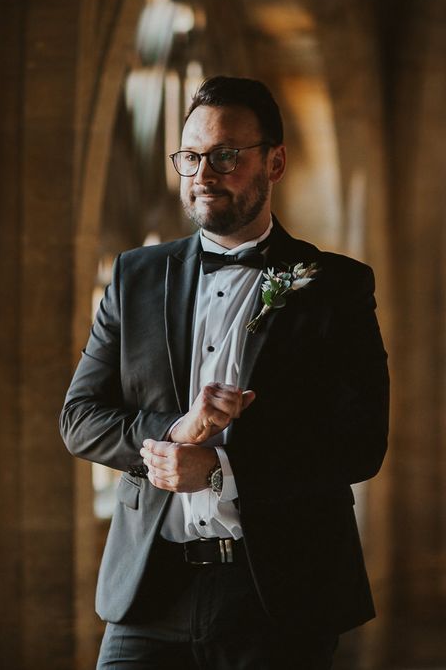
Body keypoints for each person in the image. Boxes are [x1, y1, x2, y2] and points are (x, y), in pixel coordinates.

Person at [59, 75, 389, 669]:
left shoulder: (337, 286)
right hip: (149, 591)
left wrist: (222, 468)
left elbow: (361, 445)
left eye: (226, 156)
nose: (203, 174)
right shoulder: (136, 276)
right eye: (191, 156)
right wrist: (173, 433)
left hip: (278, 596)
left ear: (276, 161)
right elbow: (79, 419)